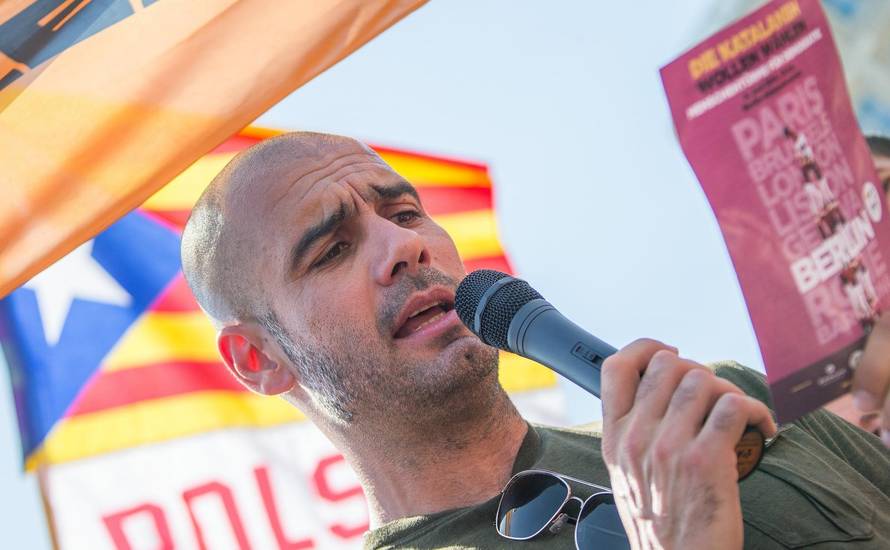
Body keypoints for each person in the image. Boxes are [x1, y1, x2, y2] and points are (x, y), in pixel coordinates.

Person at [180, 132, 890, 549]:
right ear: (260, 360)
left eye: (404, 211)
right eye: (331, 250)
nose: (404, 246)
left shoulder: (727, 409)